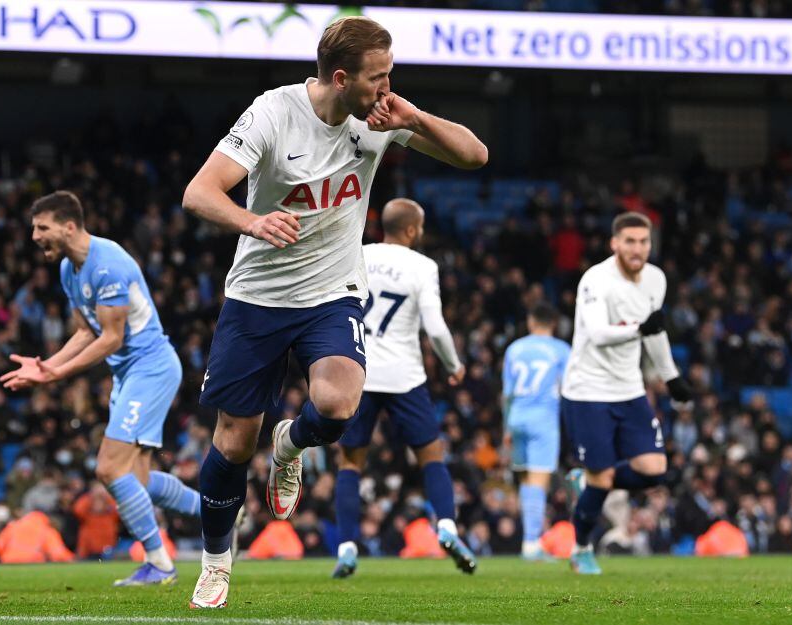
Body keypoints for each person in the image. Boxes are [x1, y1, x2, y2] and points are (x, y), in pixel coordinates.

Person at [181, 16, 487, 609]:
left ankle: (291, 445)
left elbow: (475, 156)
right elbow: (200, 192)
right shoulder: (273, 112)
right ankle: (217, 561)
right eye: (379, 77)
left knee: (338, 405)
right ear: (341, 77)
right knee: (234, 440)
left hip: (333, 292)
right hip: (258, 297)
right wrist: (253, 220)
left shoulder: (382, 118)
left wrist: (414, 119)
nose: (388, 87)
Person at [0, 191, 201, 586]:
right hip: (129, 373)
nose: (35, 236)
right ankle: (217, 511)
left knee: (109, 468)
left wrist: (59, 375)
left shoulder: (108, 265)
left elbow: (111, 337)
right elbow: (85, 331)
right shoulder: (67, 270)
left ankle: (160, 565)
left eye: (42, 227)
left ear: (69, 226)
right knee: (136, 482)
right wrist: (46, 365)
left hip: (151, 367)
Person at [331, 198, 475, 579]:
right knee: (431, 456)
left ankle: (347, 548)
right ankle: (446, 526)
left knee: (349, 462)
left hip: (359, 371)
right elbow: (436, 326)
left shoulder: (358, 254)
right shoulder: (423, 266)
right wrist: (454, 365)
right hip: (405, 377)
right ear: (412, 230)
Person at [560, 211, 693, 575]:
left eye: (643, 242)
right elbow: (599, 333)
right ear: (614, 243)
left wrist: (671, 376)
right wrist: (640, 327)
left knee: (654, 470)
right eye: (630, 241)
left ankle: (586, 484)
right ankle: (582, 549)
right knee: (603, 479)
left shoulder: (655, 280)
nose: (637, 249)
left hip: (628, 388)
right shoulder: (596, 280)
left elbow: (655, 329)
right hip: (587, 389)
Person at [501, 303, 570, 561]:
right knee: (539, 481)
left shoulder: (514, 349)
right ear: (553, 323)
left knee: (527, 480)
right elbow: (567, 388)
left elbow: (506, 394)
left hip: (517, 417)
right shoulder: (561, 350)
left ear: (531, 322)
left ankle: (529, 541)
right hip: (543, 418)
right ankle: (531, 543)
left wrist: (506, 426)